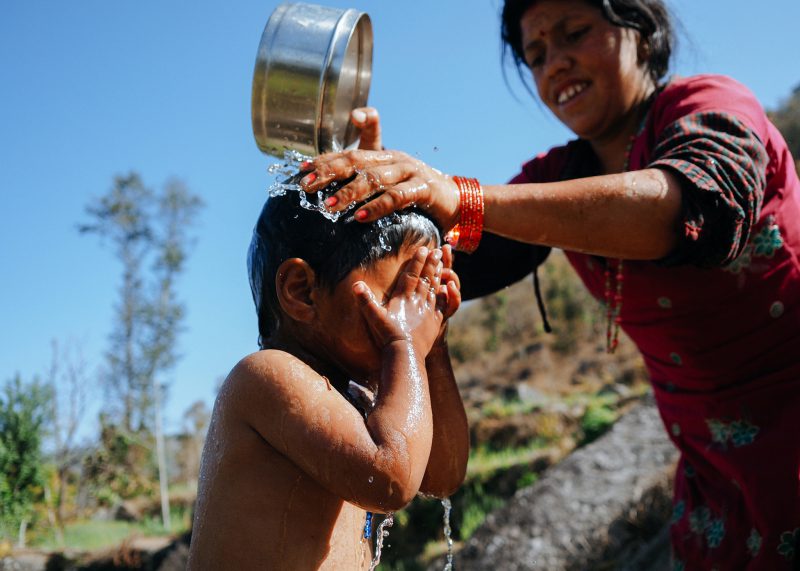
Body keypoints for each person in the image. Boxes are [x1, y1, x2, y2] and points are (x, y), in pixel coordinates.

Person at [298, 0, 800, 568]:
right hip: (717, 481)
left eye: (575, 34)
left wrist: (464, 197)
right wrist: (378, 212)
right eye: (536, 55)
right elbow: (438, 266)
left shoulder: (710, 104)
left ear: (643, 32)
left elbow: (694, 209)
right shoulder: (560, 178)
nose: (555, 64)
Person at [186, 182, 469, 569]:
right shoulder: (268, 376)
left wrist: (432, 349)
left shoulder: (361, 402)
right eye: (397, 299)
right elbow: (391, 478)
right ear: (302, 291)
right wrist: (404, 344)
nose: (410, 315)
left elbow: (441, 475)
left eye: (420, 297)